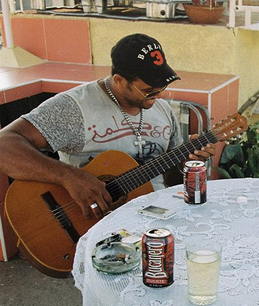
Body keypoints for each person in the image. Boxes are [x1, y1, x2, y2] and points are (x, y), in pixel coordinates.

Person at [0, 33, 215, 219]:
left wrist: (185, 163)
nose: (158, 96)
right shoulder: (76, 108)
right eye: (149, 90)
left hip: (155, 219)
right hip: (91, 221)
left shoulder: (163, 110)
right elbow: (4, 146)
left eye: (163, 87)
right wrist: (67, 176)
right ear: (119, 80)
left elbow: (170, 180)